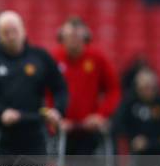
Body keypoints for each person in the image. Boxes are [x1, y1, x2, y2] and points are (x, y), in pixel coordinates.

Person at [0, 11, 68, 155]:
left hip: (34, 131)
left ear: (23, 30)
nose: (11, 36)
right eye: (5, 32)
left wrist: (57, 110)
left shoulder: (40, 56)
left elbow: (60, 88)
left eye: (14, 31)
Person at [51, 17, 121, 154]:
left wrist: (101, 115)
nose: (73, 40)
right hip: (61, 128)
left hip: (90, 128)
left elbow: (113, 90)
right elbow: (46, 92)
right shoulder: (53, 58)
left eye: (77, 36)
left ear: (85, 37)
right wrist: (54, 118)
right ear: (62, 37)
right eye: (70, 36)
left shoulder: (98, 58)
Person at [114, 68, 160, 155]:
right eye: (145, 88)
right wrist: (132, 138)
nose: (149, 91)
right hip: (138, 151)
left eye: (152, 88)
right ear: (137, 87)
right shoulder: (129, 104)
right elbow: (119, 125)